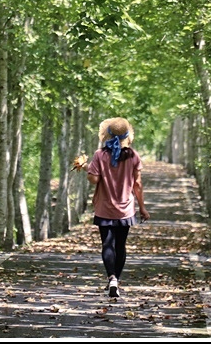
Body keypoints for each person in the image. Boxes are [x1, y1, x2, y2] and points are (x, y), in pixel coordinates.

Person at [86, 117, 150, 298]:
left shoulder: (99, 155)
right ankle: (116, 280)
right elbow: (137, 184)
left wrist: (87, 169)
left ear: (107, 134)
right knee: (120, 246)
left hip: (104, 207)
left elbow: (94, 179)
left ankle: (111, 277)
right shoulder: (133, 156)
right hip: (126, 209)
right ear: (127, 136)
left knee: (107, 244)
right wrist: (143, 208)